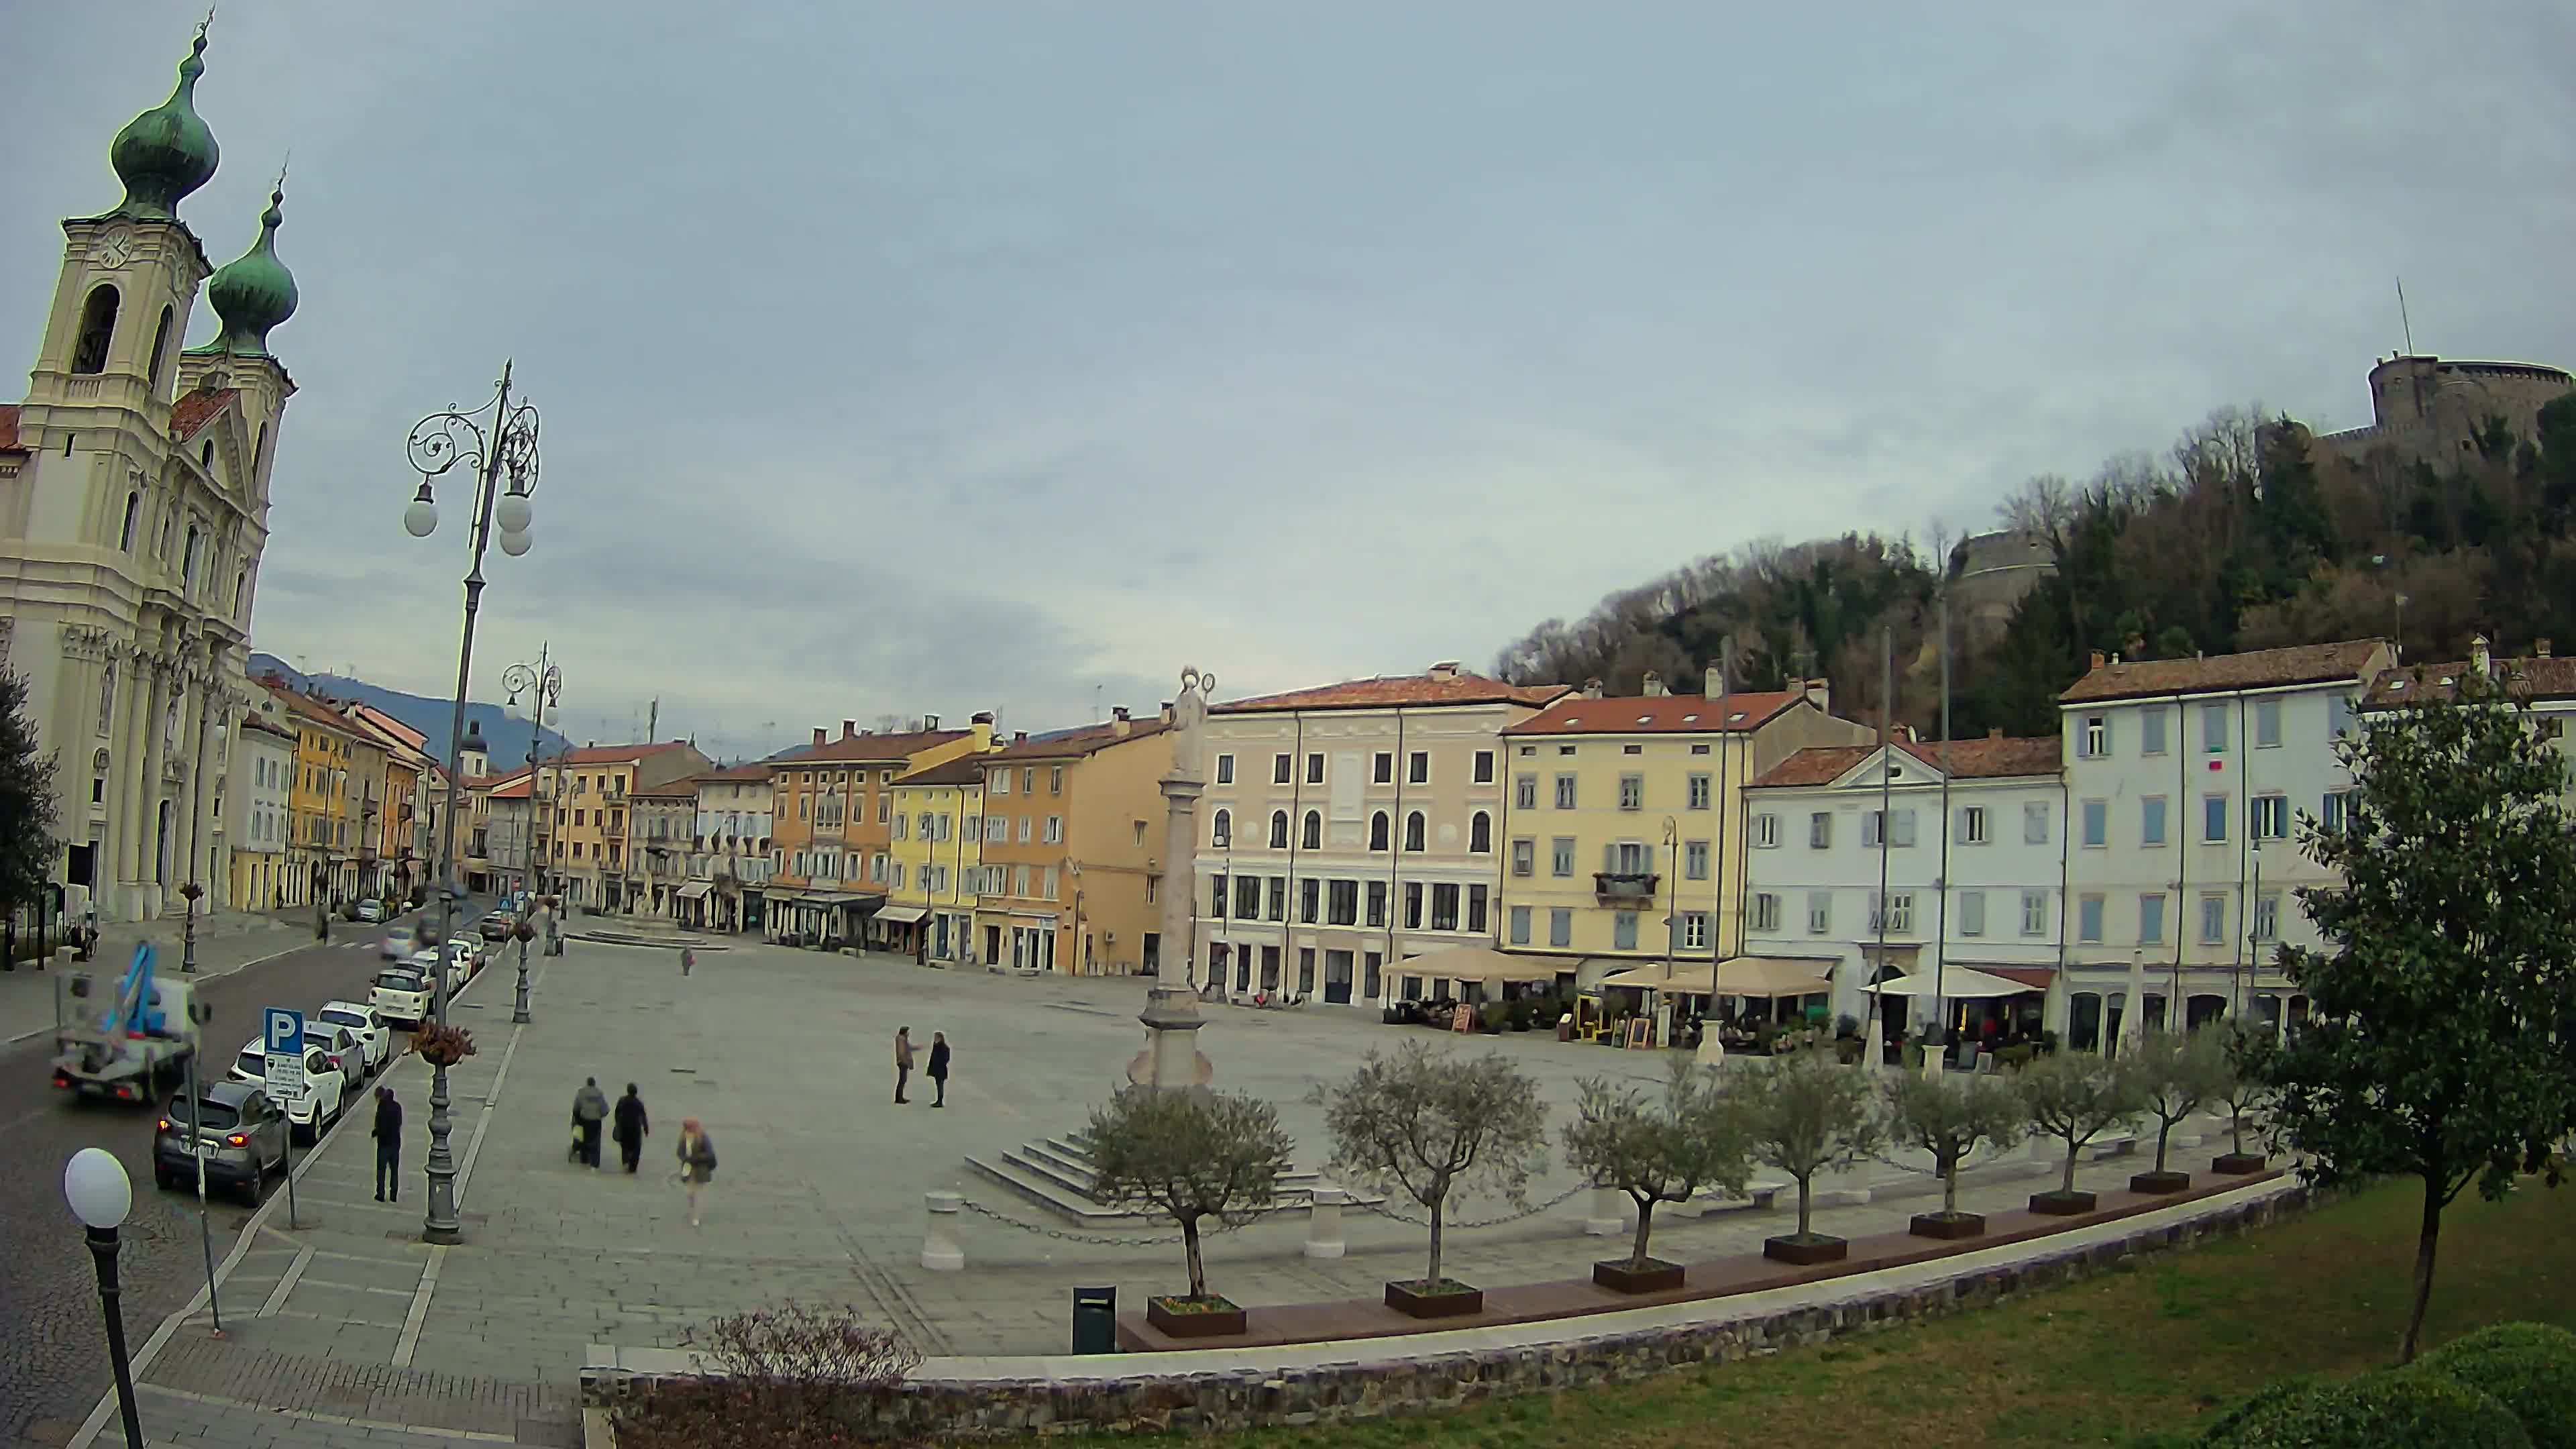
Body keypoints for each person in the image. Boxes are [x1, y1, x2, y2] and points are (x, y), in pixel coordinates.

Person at [676, 1118, 716, 1227]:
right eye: (687, 1127)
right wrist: (685, 1158)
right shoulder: (684, 1137)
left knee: (699, 1194)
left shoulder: (703, 1137)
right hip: (688, 1168)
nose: (689, 1129)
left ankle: (696, 1217)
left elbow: (710, 1153)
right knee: (689, 1193)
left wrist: (696, 1158)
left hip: (700, 1169)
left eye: (691, 1127)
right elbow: (679, 1152)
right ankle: (693, 1207)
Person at [371, 1087, 403, 1202]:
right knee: (394, 1171)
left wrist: (375, 1133)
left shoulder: (382, 1108)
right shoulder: (397, 1107)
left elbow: (381, 1126)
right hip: (395, 1143)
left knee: (381, 1170)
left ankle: (381, 1194)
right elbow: (399, 1123)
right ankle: (393, 1195)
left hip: (384, 1144)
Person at [572, 1077, 609, 1168]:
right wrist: (600, 1116)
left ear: (587, 1083)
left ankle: (584, 1161)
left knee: (584, 1140)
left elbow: (576, 1108)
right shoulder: (599, 1093)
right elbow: (605, 1110)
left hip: (585, 1120)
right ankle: (595, 1163)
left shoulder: (581, 1092)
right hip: (596, 1122)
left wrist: (577, 1118)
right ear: (594, 1084)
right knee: (596, 1142)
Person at [612, 1083, 649, 1173]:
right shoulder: (639, 1103)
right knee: (636, 1148)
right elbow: (643, 1117)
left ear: (628, 1091)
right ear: (636, 1093)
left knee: (624, 1146)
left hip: (624, 1128)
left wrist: (618, 1123)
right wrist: (646, 1129)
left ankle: (625, 1163)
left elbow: (617, 1113)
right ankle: (633, 1168)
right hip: (635, 1129)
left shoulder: (622, 1100)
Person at [927, 1031, 951, 1108]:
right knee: (938, 1085)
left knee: (940, 1086)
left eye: (936, 1037)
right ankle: (938, 1101)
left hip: (941, 1070)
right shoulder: (936, 1046)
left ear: (940, 1038)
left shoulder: (944, 1047)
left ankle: (940, 1102)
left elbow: (946, 1059)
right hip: (936, 1069)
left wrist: (938, 1064)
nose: (935, 1039)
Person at [894, 1026, 914, 1105]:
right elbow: (902, 1052)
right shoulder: (902, 1039)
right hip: (903, 1062)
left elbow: (908, 1049)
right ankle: (899, 1099)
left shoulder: (903, 1039)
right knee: (902, 1080)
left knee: (902, 1080)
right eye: (908, 1032)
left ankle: (900, 1097)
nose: (908, 1033)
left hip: (903, 1062)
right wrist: (907, 1062)